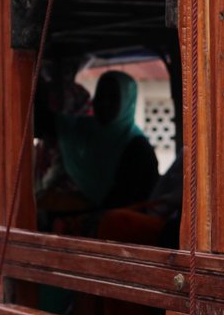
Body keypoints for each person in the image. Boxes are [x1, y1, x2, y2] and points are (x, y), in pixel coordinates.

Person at [56, 70, 158, 210]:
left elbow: (132, 201)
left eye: (113, 98)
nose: (104, 103)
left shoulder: (138, 149)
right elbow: (53, 124)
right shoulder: (85, 129)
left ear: (127, 103)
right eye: (101, 95)